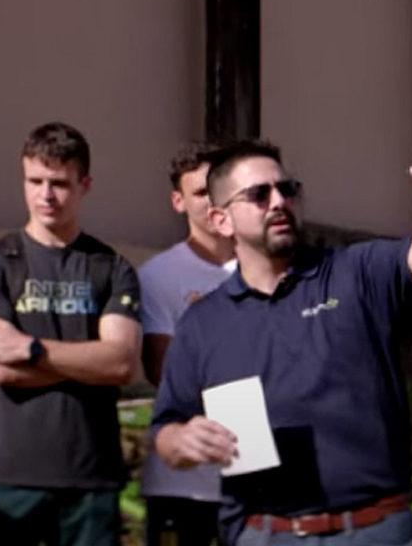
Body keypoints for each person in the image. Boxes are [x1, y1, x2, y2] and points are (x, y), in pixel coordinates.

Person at [151, 139, 412, 546]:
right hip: (265, 535)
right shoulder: (203, 322)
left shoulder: (354, 273)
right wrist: (183, 439)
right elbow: (165, 432)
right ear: (220, 219)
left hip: (375, 531)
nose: (278, 201)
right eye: (259, 195)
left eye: (287, 189)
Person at [0, 122, 142, 546]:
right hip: (5, 472)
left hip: (90, 475)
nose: (46, 195)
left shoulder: (109, 267)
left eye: (59, 183)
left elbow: (123, 363)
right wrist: (89, 363)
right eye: (34, 181)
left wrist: (29, 348)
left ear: (84, 185)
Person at [140, 142, 237, 546]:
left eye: (218, 188)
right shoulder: (159, 275)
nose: (211, 201)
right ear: (178, 202)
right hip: (183, 485)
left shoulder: (271, 271)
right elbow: (164, 371)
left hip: (263, 483)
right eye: (199, 192)